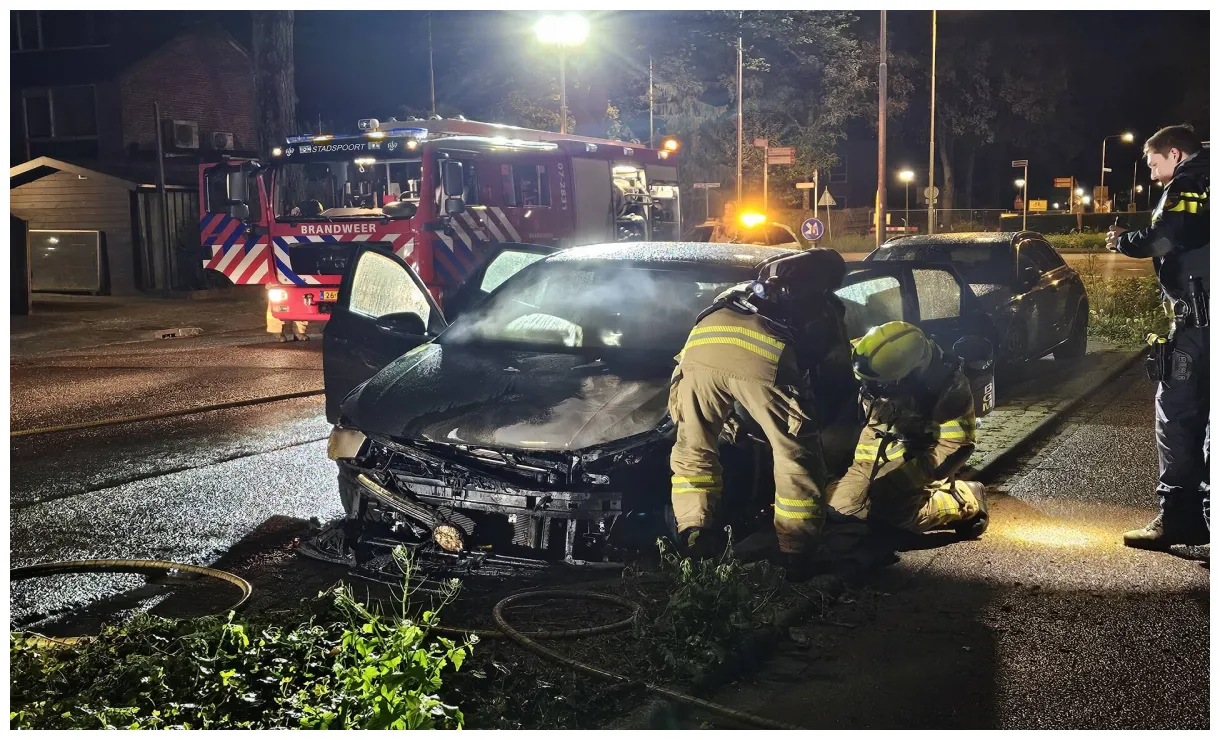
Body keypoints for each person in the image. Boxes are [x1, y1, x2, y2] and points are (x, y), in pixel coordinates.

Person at [667, 248, 850, 579]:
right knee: (795, 456)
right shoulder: (823, 305)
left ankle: (694, 531)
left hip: (698, 350)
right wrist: (816, 413)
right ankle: (797, 551)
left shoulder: (747, 289)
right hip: (762, 356)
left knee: (694, 448)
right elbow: (832, 367)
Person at [1106, 124, 1210, 548]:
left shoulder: (1190, 182)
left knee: (1178, 416)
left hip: (1198, 325)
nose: (1151, 173)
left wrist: (1123, 241)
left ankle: (1180, 520)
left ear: (1175, 154)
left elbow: (1165, 237)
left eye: (1153, 163)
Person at [822, 321, 988, 575]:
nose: (870, 388)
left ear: (911, 374)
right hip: (871, 455)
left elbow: (956, 446)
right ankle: (874, 503)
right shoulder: (873, 355)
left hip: (916, 461)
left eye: (880, 384)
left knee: (897, 519)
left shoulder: (950, 390)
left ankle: (965, 499)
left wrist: (902, 480)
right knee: (839, 508)